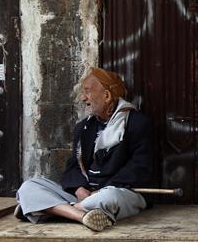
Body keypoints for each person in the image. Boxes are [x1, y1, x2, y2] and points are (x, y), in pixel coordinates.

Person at [15, 67, 154, 232]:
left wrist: (103, 189)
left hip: (119, 192)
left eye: (87, 91)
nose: (83, 97)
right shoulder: (84, 127)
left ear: (107, 96)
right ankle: (80, 215)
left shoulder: (137, 124)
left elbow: (140, 168)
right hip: (84, 195)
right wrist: (79, 188)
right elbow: (73, 165)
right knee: (29, 186)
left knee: (110, 198)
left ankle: (49, 209)